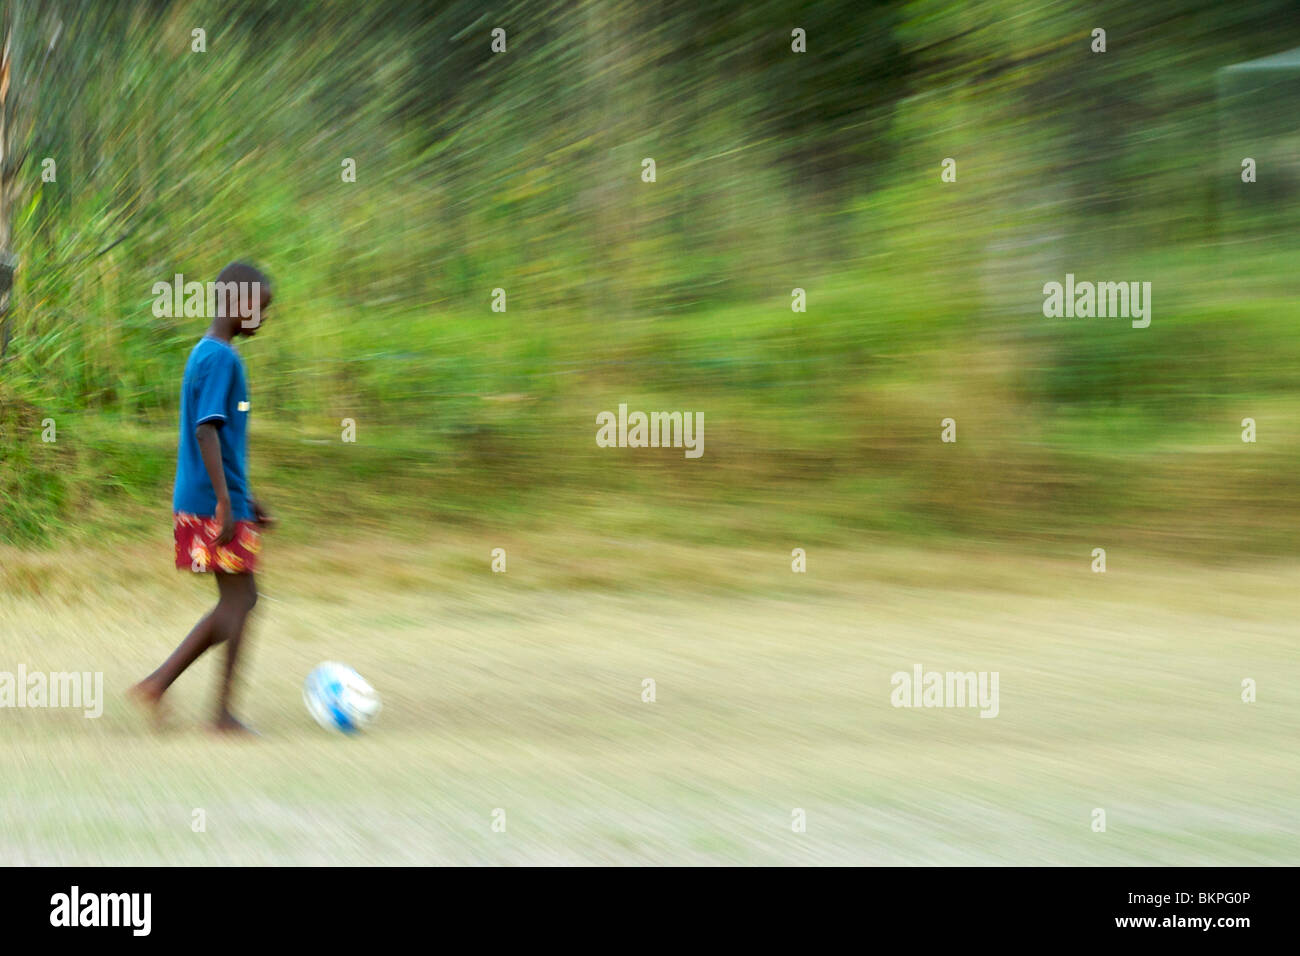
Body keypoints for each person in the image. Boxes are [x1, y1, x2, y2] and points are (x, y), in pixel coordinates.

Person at [131, 261, 274, 734]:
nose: (265, 318)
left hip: (219, 496)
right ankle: (205, 706)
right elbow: (206, 430)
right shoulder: (221, 359)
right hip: (211, 502)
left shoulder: (209, 353)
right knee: (241, 600)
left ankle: (178, 692)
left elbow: (223, 438)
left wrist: (247, 496)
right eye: (262, 308)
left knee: (243, 599)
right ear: (239, 304)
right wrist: (225, 503)